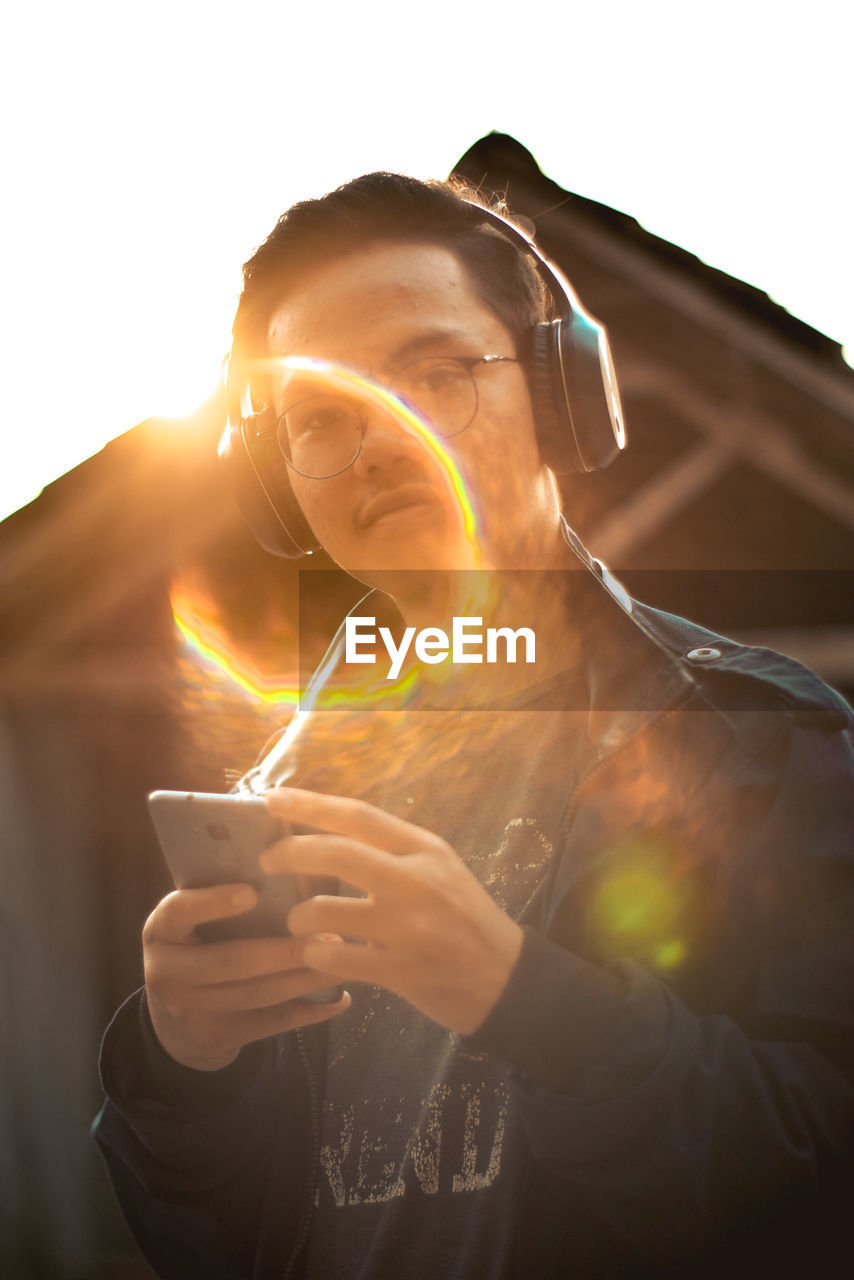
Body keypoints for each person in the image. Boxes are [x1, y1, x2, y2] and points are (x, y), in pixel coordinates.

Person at [94, 174, 854, 1279]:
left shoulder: (759, 740)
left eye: (435, 373)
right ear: (278, 482)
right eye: (321, 417)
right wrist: (180, 1069)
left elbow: (818, 1175)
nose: (382, 439)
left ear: (562, 396)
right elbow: (220, 1241)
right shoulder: (273, 798)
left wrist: (518, 993)